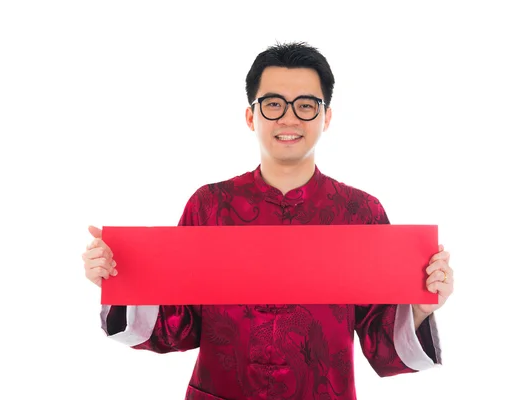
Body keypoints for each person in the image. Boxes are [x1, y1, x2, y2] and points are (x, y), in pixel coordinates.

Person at [82, 42, 454, 400]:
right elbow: (180, 326)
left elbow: (380, 338)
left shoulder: (361, 213)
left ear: (326, 117)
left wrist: (420, 307)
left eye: (306, 105)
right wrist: (121, 277)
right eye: (273, 104)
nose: (289, 117)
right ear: (251, 116)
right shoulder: (209, 206)